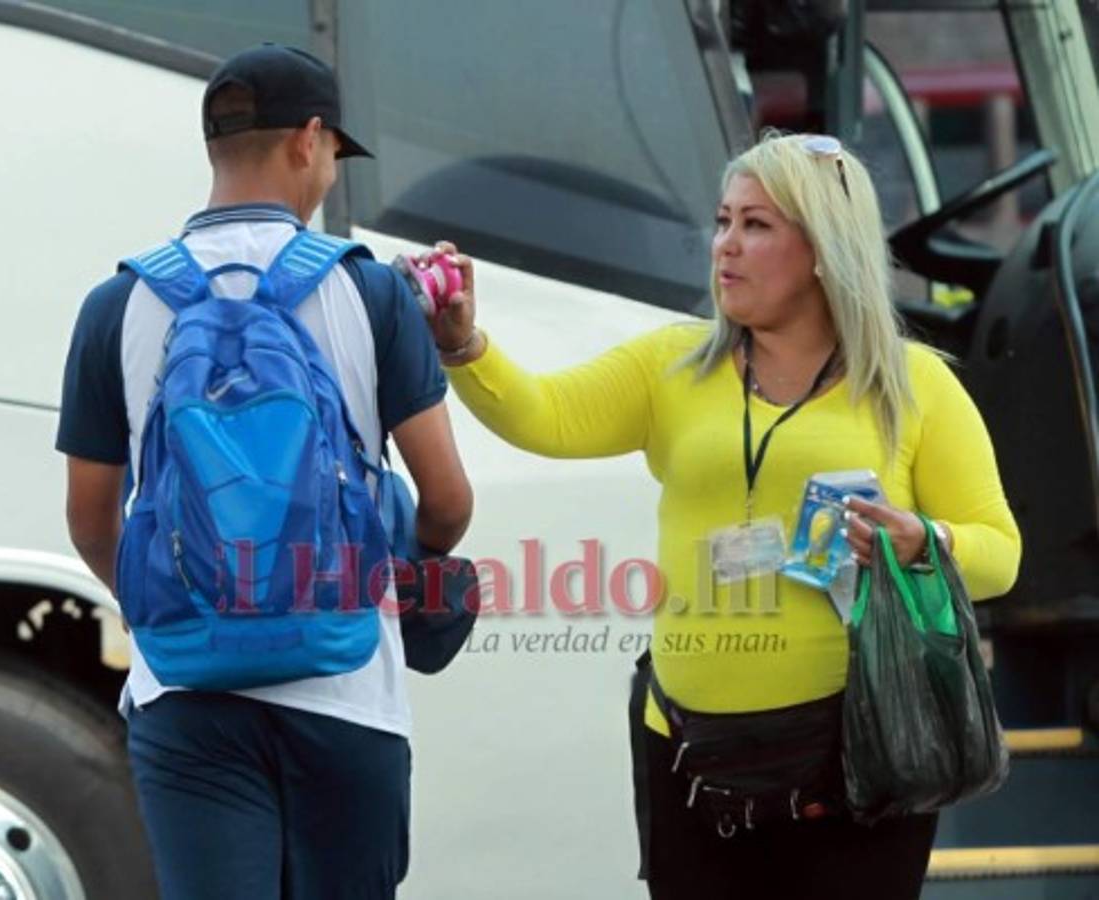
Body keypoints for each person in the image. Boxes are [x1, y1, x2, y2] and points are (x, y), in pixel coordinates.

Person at [425, 133, 1020, 899]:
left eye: (755, 226)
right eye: (722, 221)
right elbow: (545, 416)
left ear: (820, 250)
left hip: (860, 762)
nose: (724, 246)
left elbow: (999, 553)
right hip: (689, 757)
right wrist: (464, 344)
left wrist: (922, 541)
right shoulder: (672, 366)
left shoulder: (913, 385)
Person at [56, 44, 472, 900]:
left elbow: (91, 519)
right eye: (331, 153)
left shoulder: (118, 304)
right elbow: (449, 501)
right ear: (309, 139)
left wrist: (178, 600)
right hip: (345, 686)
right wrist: (400, 566)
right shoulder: (370, 293)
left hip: (185, 687)